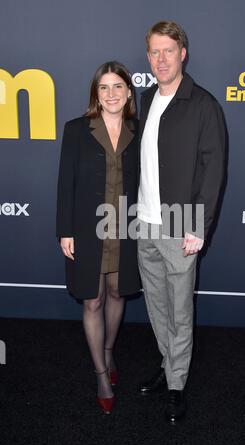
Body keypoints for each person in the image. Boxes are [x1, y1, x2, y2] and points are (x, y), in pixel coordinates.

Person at [137, 21, 226, 423]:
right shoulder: (144, 99)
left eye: (168, 51)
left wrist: (198, 227)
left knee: (179, 310)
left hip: (180, 226)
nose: (160, 59)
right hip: (144, 225)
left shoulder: (203, 104)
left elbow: (212, 172)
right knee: (157, 307)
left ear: (183, 53)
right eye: (154, 52)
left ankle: (177, 383)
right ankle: (167, 362)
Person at [56, 61, 140, 414]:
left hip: (127, 228)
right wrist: (65, 230)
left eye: (117, 86)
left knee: (118, 292)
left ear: (128, 93)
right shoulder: (77, 129)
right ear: (96, 94)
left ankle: (108, 349)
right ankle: (101, 373)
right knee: (92, 300)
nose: (111, 94)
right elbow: (66, 182)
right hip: (88, 229)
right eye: (104, 88)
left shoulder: (141, 129)